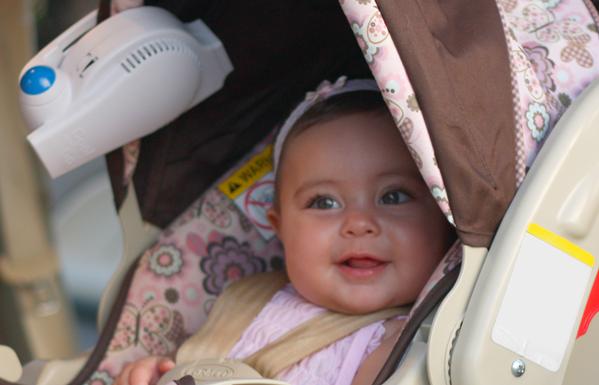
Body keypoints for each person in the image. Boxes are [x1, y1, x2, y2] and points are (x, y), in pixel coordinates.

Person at [115, 78, 456, 385]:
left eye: (393, 196)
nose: (359, 223)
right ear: (280, 229)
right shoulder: (246, 299)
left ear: (445, 219)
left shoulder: (402, 350)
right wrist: (155, 372)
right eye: (324, 202)